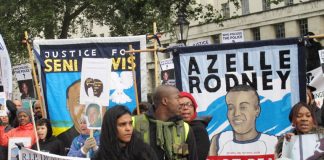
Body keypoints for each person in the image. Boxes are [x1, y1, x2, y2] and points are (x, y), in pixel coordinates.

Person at [209, 84, 278, 156]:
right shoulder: (219, 140)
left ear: (257, 110)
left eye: (243, 107)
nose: (236, 114)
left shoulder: (273, 142)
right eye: (231, 108)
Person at [132, 85, 198, 160]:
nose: (181, 103)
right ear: (165, 101)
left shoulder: (184, 128)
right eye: (177, 98)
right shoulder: (133, 123)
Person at [179, 91, 210, 160]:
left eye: (189, 104)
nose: (185, 108)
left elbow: (198, 157)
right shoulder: (178, 127)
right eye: (181, 105)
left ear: (194, 108)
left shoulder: (198, 129)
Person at [57, 80, 84, 150]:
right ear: (68, 103)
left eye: (91, 101)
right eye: (79, 101)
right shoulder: (60, 140)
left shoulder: (108, 138)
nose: (86, 107)